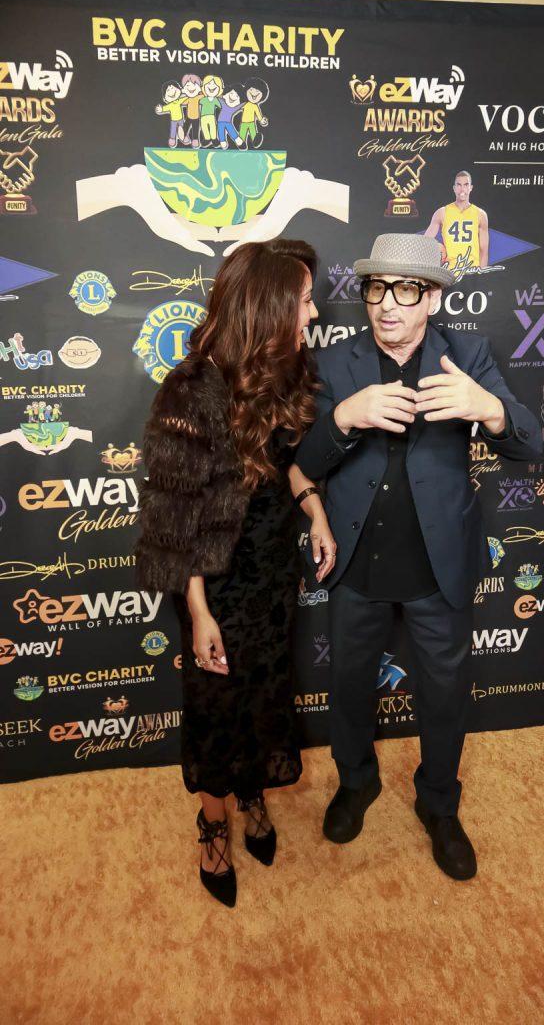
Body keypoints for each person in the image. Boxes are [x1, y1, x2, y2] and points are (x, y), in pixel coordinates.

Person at [295, 233, 542, 881]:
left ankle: (438, 804)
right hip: (356, 561)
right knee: (349, 685)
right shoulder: (336, 362)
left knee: (444, 694)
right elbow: (303, 463)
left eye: (406, 290)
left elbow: (529, 442)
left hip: (439, 564)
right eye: (377, 289)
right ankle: (356, 783)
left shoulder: (467, 354)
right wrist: (343, 418)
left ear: (432, 298)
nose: (387, 304)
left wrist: (489, 410)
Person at [134, 238, 336, 907]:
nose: (313, 314)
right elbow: (172, 521)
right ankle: (213, 827)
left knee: (263, 697)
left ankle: (252, 794)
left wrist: (314, 510)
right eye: (303, 301)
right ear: (268, 306)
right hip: (213, 586)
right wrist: (198, 612)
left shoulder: (283, 371)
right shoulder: (190, 391)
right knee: (216, 712)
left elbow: (287, 462)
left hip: (272, 575)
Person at [423, 170, 489, 275]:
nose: (462, 189)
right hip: (449, 272)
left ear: (471, 187)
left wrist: (482, 276)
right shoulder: (442, 213)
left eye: (466, 185)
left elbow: (484, 251)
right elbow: (424, 242)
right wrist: (437, 251)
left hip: (472, 271)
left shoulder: (480, 214)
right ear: (454, 188)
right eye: (459, 185)